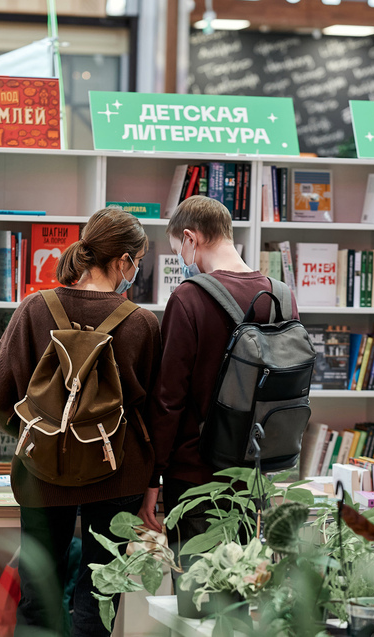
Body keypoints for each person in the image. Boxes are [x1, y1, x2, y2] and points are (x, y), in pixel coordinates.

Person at [0, 207, 162, 637]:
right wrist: (153, 482)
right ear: (123, 262)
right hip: (120, 473)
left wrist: (39, 438)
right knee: (100, 593)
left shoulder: (34, 309)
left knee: (40, 593)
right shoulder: (142, 323)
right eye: (136, 261)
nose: (135, 270)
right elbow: (154, 414)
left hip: (43, 473)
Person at [139, 195, 300, 544]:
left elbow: (169, 400)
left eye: (179, 251)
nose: (183, 261)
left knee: (200, 592)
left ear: (190, 238)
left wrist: (153, 480)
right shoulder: (282, 297)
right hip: (255, 472)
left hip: (196, 477)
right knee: (241, 588)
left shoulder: (189, 298)